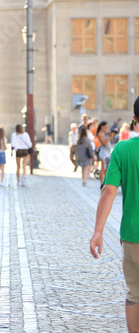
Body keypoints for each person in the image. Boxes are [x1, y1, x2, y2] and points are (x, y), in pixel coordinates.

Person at [90, 97, 139, 333]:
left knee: (134, 293)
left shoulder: (123, 149)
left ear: (135, 118)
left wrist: (98, 231)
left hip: (132, 234)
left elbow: (109, 190)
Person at [96, 121, 116, 185]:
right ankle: (101, 182)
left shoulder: (105, 133)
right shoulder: (100, 134)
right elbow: (104, 143)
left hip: (108, 152)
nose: (106, 128)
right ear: (102, 126)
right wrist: (109, 136)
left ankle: (106, 181)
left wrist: (112, 135)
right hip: (103, 152)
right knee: (103, 168)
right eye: (105, 127)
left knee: (107, 168)